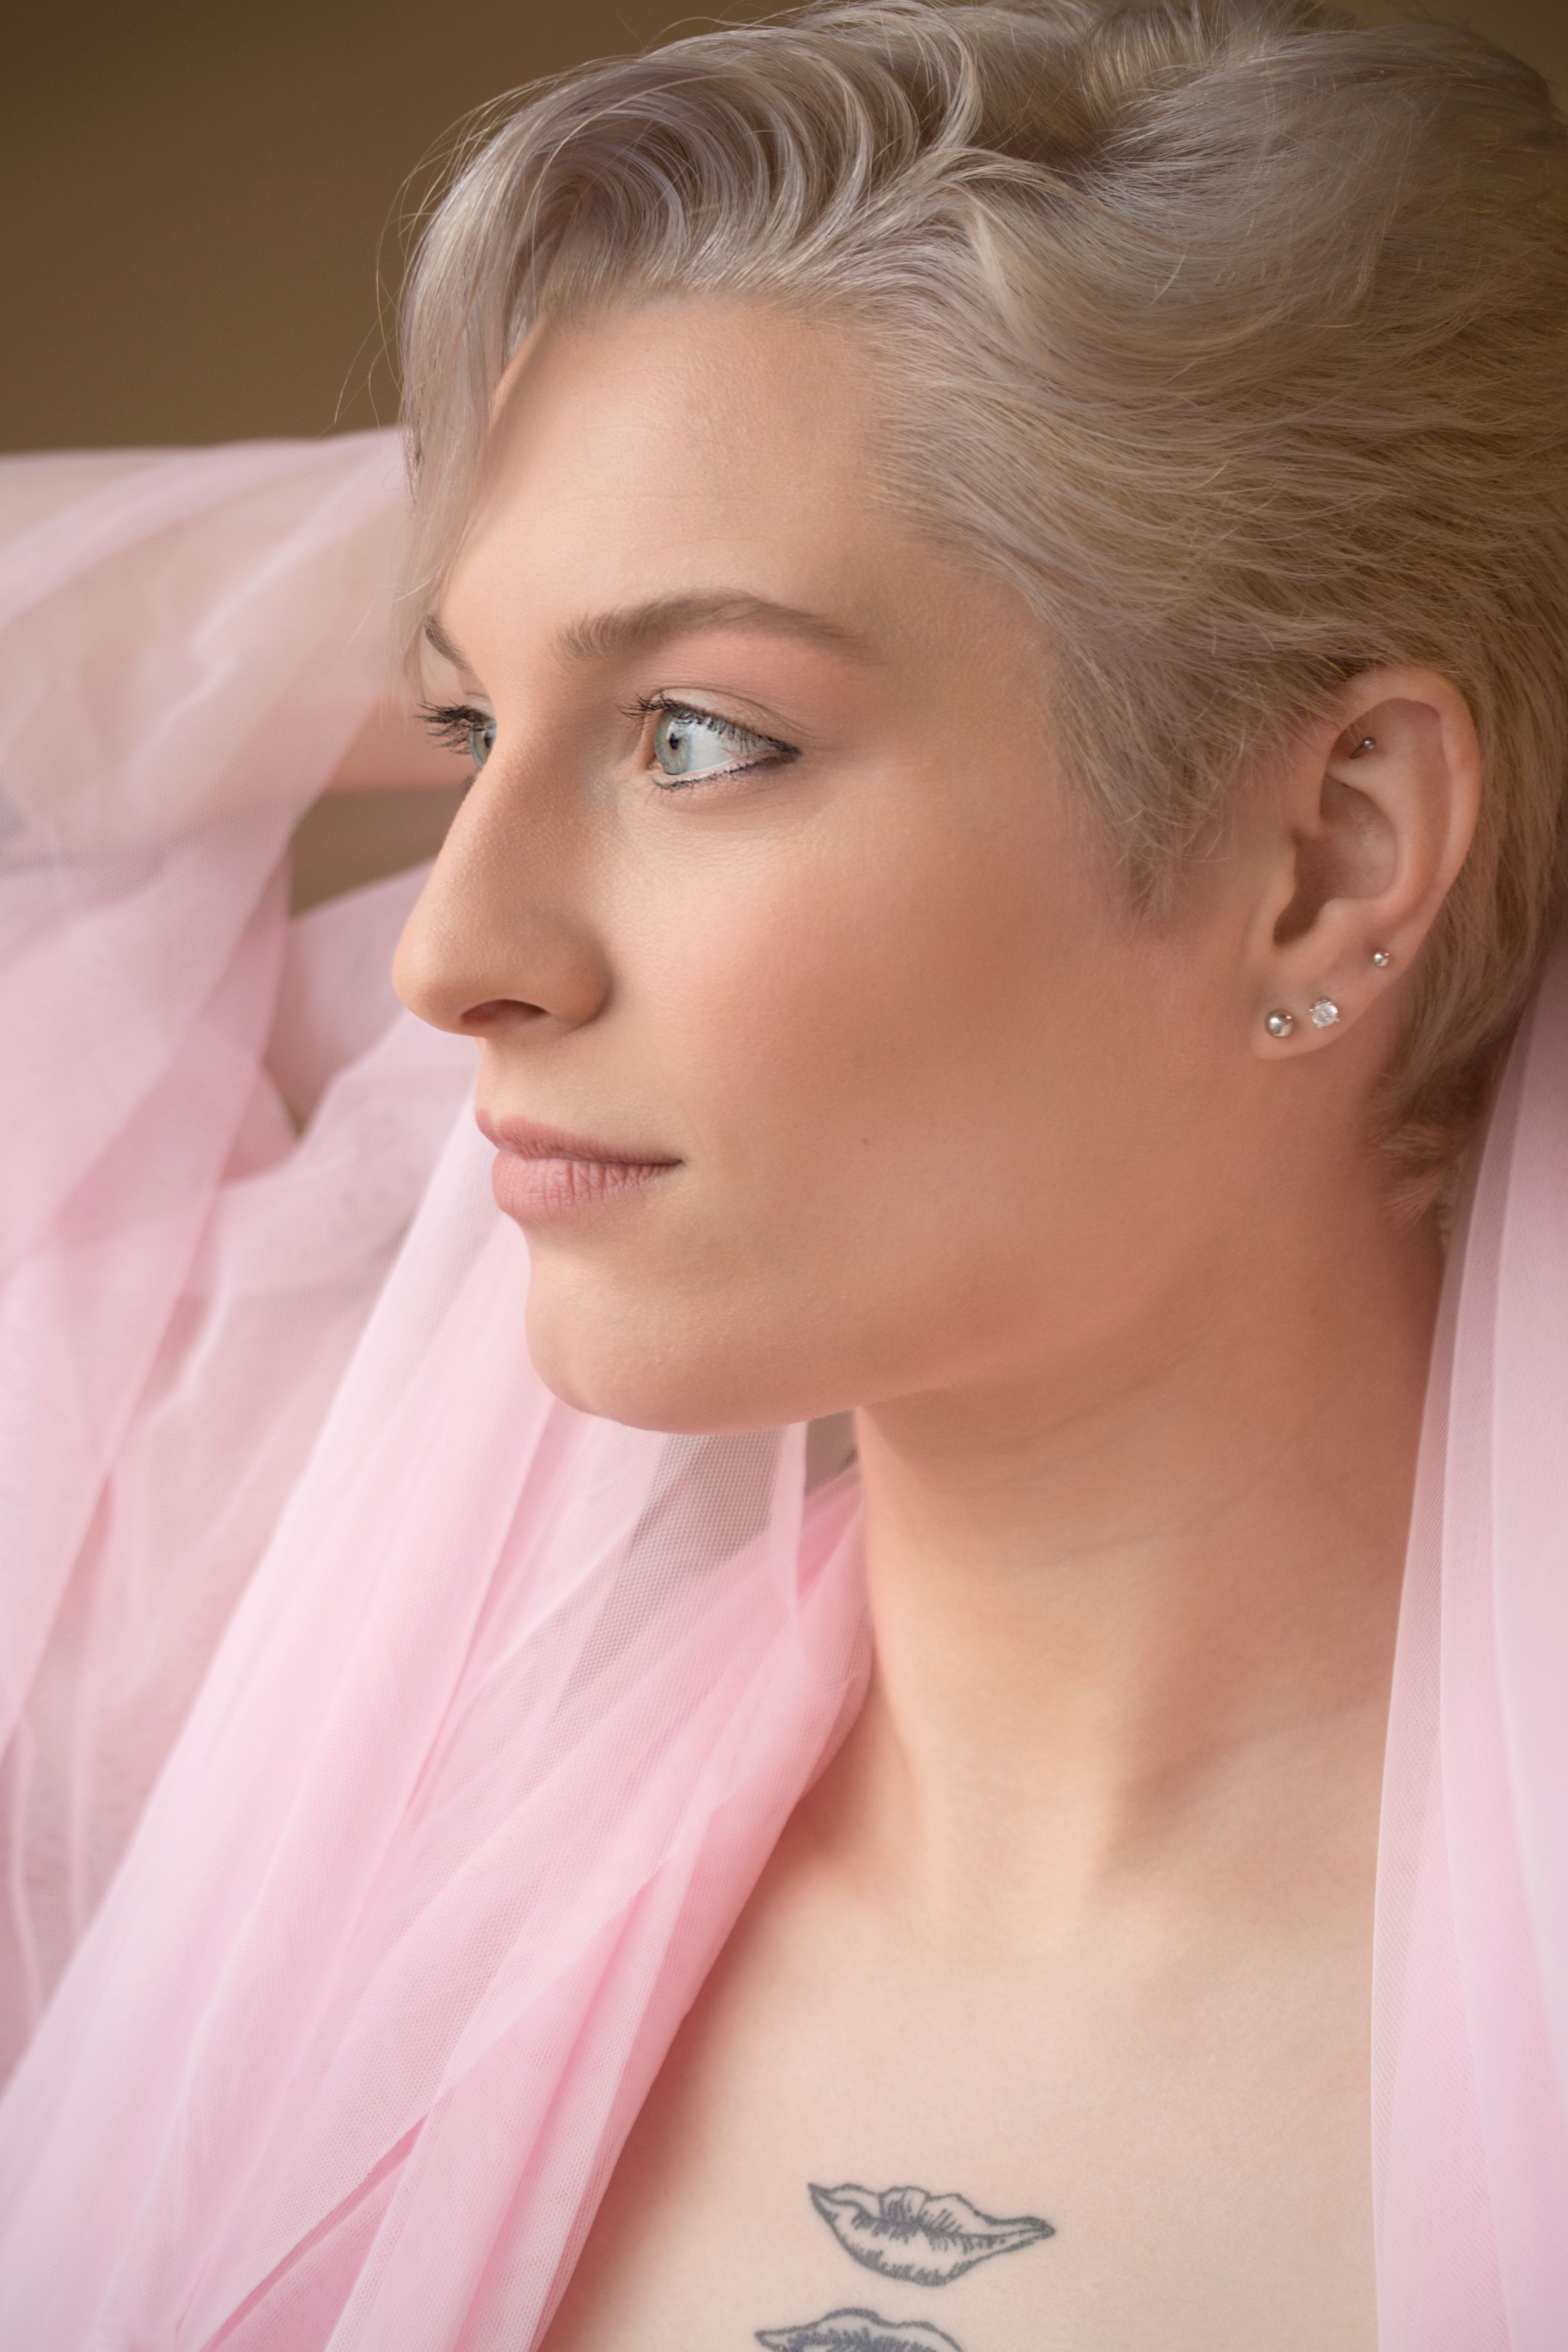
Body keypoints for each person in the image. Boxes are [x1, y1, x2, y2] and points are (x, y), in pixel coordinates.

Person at [0, 2, 1564, 2345]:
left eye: (702, 739)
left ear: (1330, 851)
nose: (455, 954)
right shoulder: (373, 1821)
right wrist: (609, 544)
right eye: (460, 738)